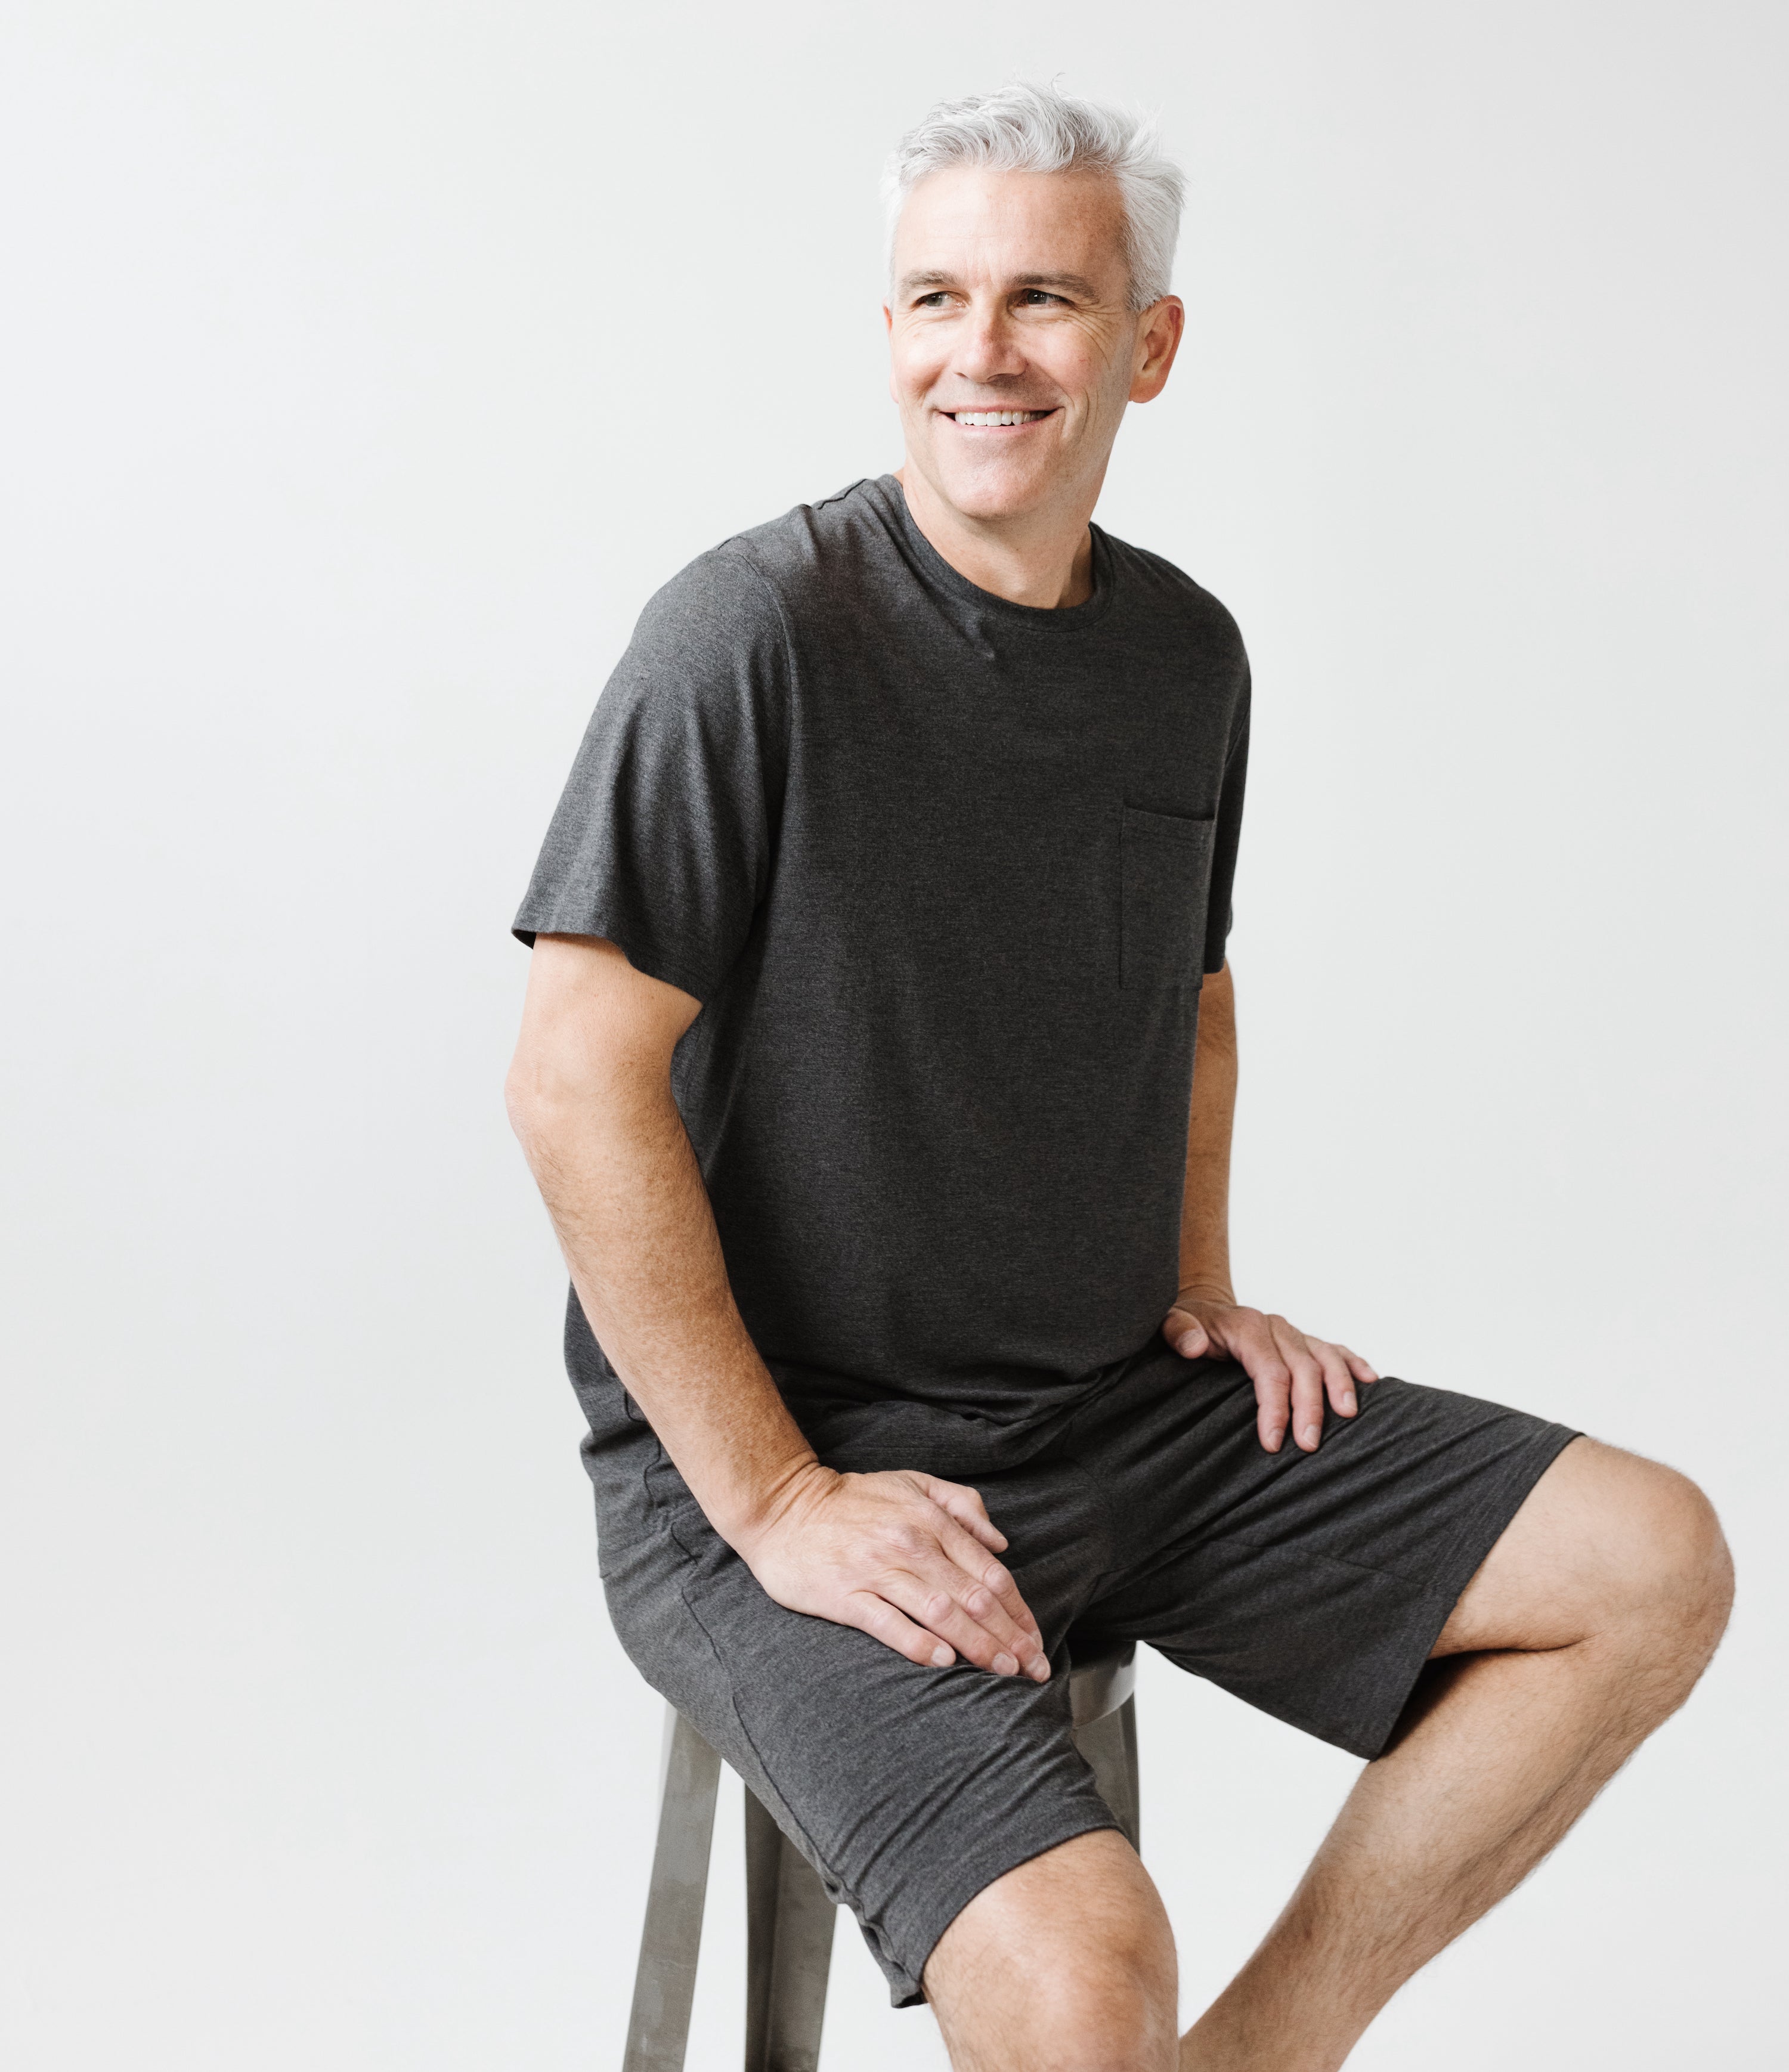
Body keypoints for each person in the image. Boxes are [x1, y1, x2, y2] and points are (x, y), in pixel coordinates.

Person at [505, 83, 1731, 2072]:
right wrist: (784, 1493)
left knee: (1649, 1561)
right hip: (798, 1451)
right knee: (1087, 1988)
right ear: (888, 329)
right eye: (934, 298)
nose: (979, 354)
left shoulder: (1187, 657)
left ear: (1147, 345)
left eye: (1044, 301)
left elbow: (1197, 996)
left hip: (1111, 1412)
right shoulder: (751, 637)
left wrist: (1204, 1289)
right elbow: (574, 1083)